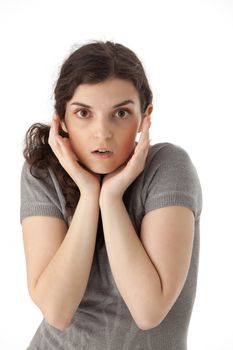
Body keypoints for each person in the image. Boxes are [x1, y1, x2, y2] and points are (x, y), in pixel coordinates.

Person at [20, 40, 202, 350]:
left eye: (120, 113)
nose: (102, 133)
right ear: (61, 119)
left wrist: (111, 199)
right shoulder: (42, 173)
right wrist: (90, 195)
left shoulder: (168, 167)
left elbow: (148, 311)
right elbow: (57, 311)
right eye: (83, 113)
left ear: (145, 116)